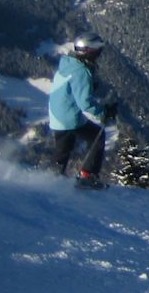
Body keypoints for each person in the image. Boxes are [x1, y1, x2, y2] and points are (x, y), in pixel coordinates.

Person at [47, 33, 114, 187]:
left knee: (63, 151)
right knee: (93, 138)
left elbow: (74, 90)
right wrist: (103, 112)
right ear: (90, 51)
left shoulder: (69, 63)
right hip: (67, 118)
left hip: (60, 113)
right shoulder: (81, 71)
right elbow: (85, 103)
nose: (99, 54)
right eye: (97, 50)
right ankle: (85, 177)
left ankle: (52, 180)